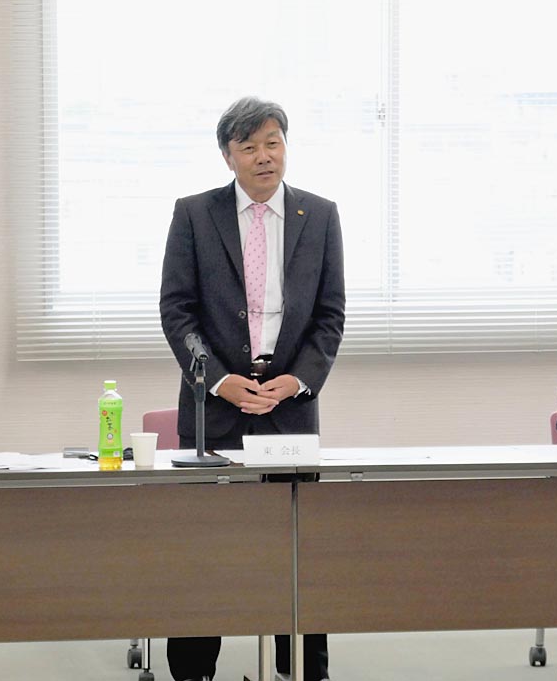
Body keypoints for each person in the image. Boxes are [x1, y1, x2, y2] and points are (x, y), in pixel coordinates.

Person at [160, 97, 345, 681]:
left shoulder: (320, 215)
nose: (264, 156)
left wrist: (298, 381)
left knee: (297, 550)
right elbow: (177, 312)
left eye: (273, 143)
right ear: (228, 156)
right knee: (204, 552)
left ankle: (303, 671)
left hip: (289, 412)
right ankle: (194, 672)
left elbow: (330, 316)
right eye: (249, 147)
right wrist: (218, 380)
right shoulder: (195, 214)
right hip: (215, 412)